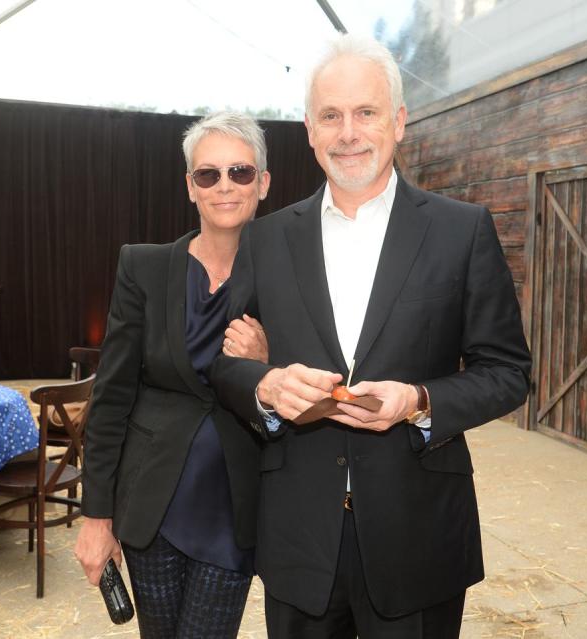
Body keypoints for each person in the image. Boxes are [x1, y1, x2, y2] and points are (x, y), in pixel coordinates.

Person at [208, 35, 532, 637]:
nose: (348, 132)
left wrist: (419, 401)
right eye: (331, 115)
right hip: (299, 539)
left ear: (400, 121)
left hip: (419, 537)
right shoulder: (266, 238)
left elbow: (508, 370)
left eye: (366, 112)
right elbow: (226, 366)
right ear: (308, 129)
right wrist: (268, 385)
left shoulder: (460, 230)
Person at [74, 111, 272, 638]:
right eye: (208, 174)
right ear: (190, 186)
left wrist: (267, 362)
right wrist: (95, 516)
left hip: (234, 504)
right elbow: (112, 396)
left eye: (241, 172)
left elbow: (307, 379)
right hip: (152, 501)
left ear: (264, 183)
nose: (224, 186)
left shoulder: (289, 274)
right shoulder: (144, 266)